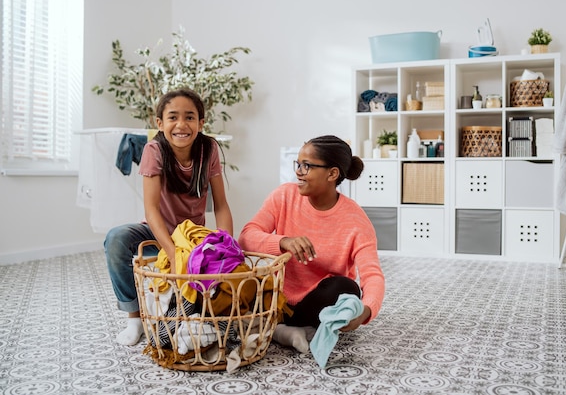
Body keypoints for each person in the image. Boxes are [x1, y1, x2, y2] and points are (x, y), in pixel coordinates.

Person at [104, 88, 233, 346]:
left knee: (217, 271)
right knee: (116, 239)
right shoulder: (155, 150)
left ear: (201, 123)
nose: (181, 125)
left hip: (192, 234)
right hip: (158, 229)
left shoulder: (209, 149)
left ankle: (195, 315)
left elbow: (221, 205)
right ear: (160, 123)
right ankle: (134, 318)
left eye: (190, 117)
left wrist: (225, 243)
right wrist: (172, 252)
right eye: (173, 117)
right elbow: (151, 209)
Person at [238, 135, 385, 353]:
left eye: (306, 166)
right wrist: (283, 242)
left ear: (332, 174)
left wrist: (365, 311)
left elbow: (372, 275)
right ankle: (286, 330)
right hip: (276, 298)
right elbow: (245, 237)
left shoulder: (355, 220)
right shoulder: (284, 196)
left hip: (316, 303)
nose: (298, 171)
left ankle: (280, 329)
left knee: (347, 289)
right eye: (298, 164)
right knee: (235, 281)